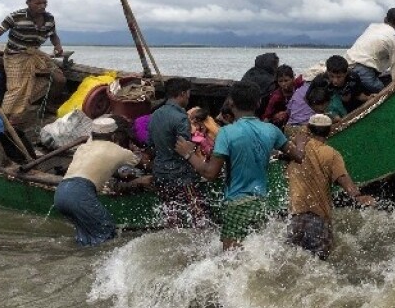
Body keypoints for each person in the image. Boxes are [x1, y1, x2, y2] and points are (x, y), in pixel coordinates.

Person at [175, 81, 303, 250]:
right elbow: (298, 156)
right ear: (258, 103)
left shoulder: (226, 133)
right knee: (256, 254)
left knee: (230, 258)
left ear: (231, 104)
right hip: (261, 202)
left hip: (237, 204)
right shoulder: (271, 130)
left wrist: (188, 153)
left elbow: (211, 173)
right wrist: (300, 143)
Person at [284, 113, 375, 258]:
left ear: (308, 128)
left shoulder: (294, 149)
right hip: (318, 220)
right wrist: (358, 196)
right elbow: (344, 179)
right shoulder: (331, 154)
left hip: (295, 220)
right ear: (330, 131)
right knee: (321, 266)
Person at [0, 0, 64, 128]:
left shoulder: (49, 19)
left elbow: (53, 36)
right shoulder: (15, 17)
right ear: (28, 2)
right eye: (37, 3)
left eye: (44, 3)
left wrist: (58, 47)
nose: (42, 6)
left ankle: (48, 107)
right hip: (15, 56)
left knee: (59, 78)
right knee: (16, 88)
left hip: (35, 54)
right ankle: (6, 118)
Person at [52, 116, 141, 247]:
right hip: (80, 193)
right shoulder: (118, 151)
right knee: (107, 231)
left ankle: (80, 259)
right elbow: (142, 162)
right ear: (114, 136)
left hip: (61, 192)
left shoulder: (83, 148)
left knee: (86, 235)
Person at [149, 77, 212, 227]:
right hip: (179, 173)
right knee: (199, 214)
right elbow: (183, 148)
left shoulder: (155, 115)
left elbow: (150, 143)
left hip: (160, 172)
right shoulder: (181, 118)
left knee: (172, 215)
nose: (189, 97)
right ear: (183, 94)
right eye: (188, 93)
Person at [346, 7, 395, 94]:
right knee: (386, 92)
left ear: (385, 19)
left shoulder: (372, 27)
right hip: (364, 71)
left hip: (347, 65)